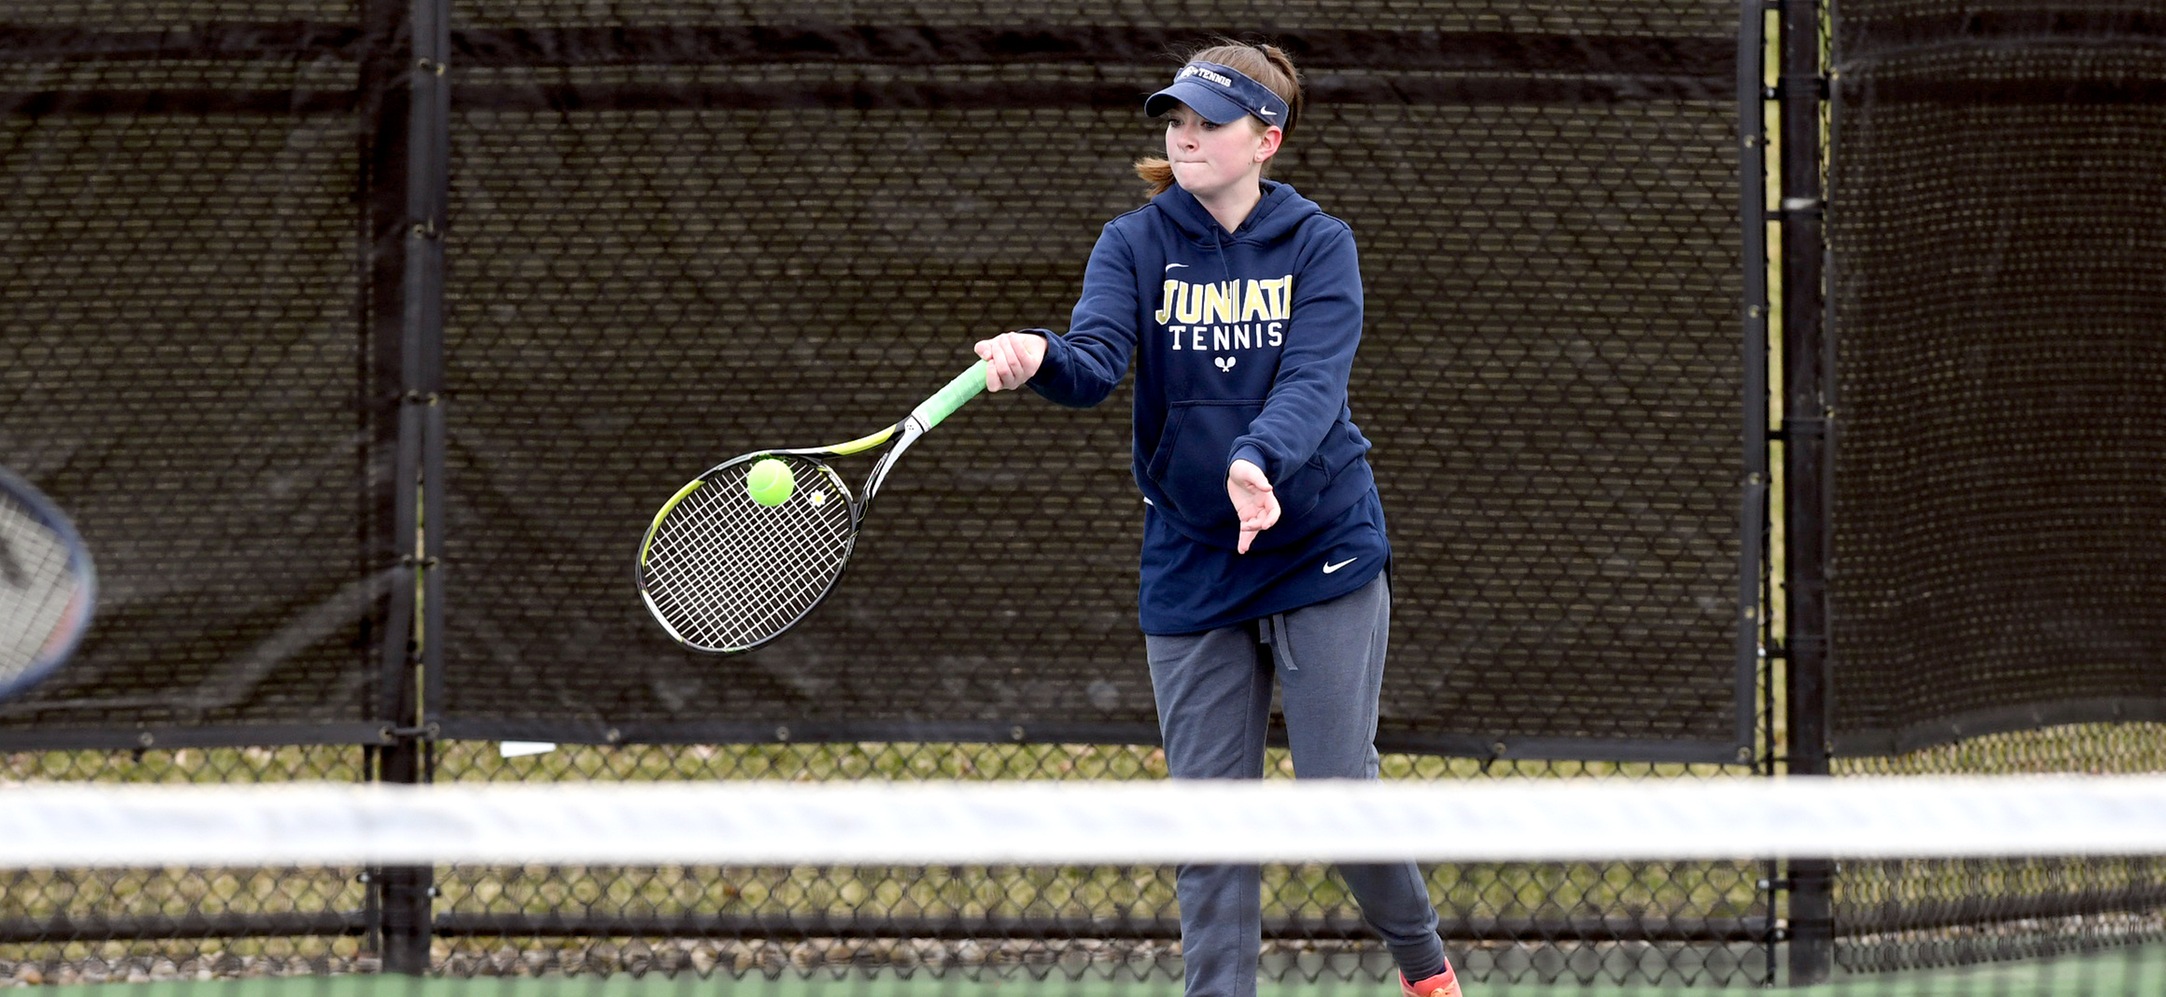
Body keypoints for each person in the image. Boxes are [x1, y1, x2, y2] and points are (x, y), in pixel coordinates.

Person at [972, 40, 1464, 997]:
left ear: (1265, 140)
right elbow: (1096, 359)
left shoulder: (1321, 244)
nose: (1185, 136)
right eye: (1177, 119)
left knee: (1335, 800)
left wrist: (1255, 457)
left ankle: (1426, 969)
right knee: (1211, 824)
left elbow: (1316, 381)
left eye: (1208, 121)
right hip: (1193, 557)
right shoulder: (1133, 243)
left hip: (1320, 547)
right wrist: (1039, 351)